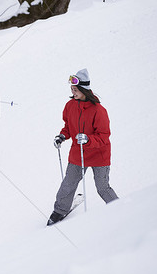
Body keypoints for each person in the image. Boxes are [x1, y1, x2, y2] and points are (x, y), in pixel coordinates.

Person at [47, 68, 118, 226]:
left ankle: (118, 208)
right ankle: (59, 210)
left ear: (84, 89)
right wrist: (62, 136)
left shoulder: (99, 111)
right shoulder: (70, 106)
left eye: (76, 89)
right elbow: (68, 126)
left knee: (102, 187)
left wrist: (87, 140)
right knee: (68, 183)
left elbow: (104, 135)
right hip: (78, 154)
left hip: (99, 154)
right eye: (72, 89)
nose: (73, 92)